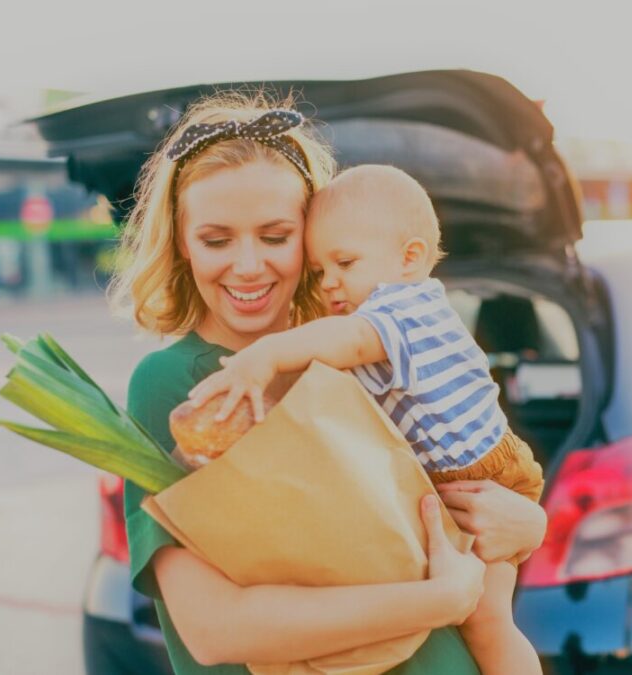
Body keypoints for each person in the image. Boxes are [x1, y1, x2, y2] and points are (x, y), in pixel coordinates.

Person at [110, 92, 547, 675]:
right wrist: (439, 599)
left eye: (275, 236)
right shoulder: (177, 385)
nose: (247, 265)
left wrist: (529, 523)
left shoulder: (352, 350)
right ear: (182, 245)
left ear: (312, 238)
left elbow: (447, 483)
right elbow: (214, 630)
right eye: (217, 240)